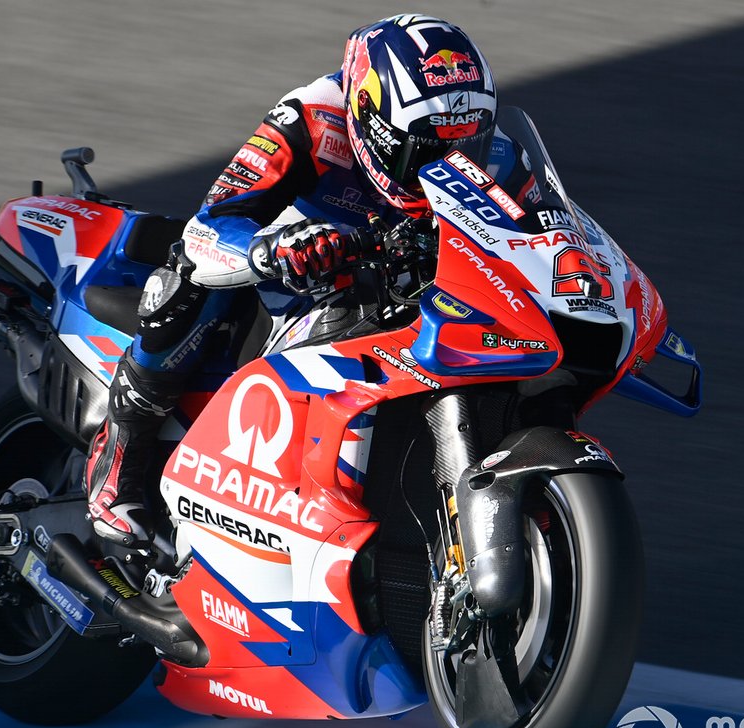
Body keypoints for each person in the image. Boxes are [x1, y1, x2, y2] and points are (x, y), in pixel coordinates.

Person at [85, 14, 499, 564]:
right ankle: (121, 451)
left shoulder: (481, 142)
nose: (447, 163)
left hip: (400, 286)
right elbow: (208, 227)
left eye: (467, 144)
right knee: (187, 273)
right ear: (373, 124)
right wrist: (272, 250)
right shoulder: (312, 118)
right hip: (288, 280)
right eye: (423, 151)